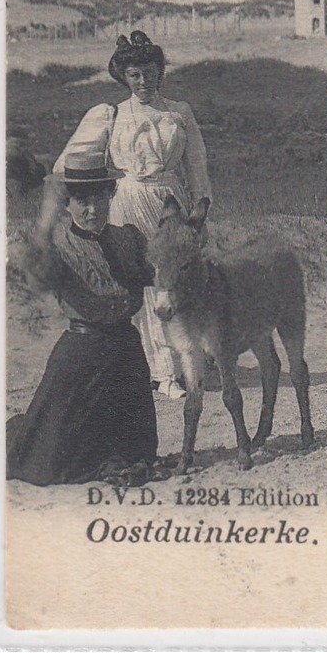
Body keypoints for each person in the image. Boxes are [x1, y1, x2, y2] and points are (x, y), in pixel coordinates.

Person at [53, 31, 210, 400]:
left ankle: (190, 361)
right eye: (134, 74)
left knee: (174, 279)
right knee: (144, 281)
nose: (143, 81)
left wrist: (199, 213)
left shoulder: (178, 112)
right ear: (124, 77)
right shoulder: (112, 115)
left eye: (149, 72)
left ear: (160, 72)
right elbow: (70, 163)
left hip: (172, 201)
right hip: (128, 202)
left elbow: (197, 166)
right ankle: (162, 371)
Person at [6, 151, 160, 486]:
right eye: (82, 202)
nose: (93, 210)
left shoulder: (127, 238)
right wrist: (44, 226)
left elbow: (158, 273)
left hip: (125, 356)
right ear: (68, 205)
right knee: (45, 464)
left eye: (100, 198)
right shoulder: (58, 245)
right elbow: (39, 280)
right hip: (82, 356)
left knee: (136, 453)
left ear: (111, 195)